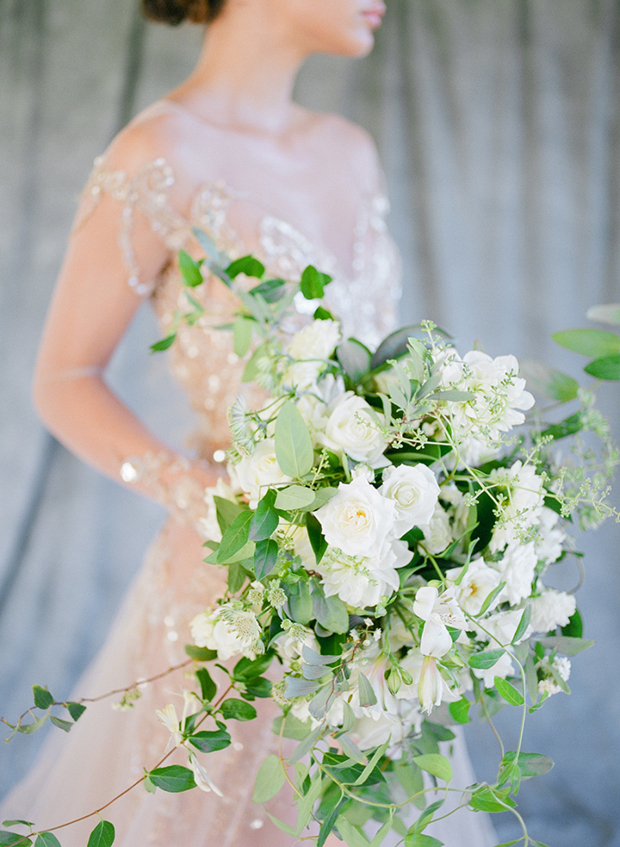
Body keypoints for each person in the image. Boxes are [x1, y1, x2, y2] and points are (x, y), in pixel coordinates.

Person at [1, 1, 497, 845]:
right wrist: (217, 506)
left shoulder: (352, 150)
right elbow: (62, 378)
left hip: (371, 581)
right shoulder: (159, 155)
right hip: (235, 580)